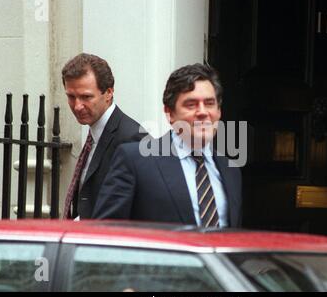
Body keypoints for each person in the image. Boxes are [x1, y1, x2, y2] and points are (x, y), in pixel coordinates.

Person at [92, 63, 242, 228]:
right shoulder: (135, 161)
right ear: (169, 113)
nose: (202, 112)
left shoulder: (231, 170)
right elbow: (106, 234)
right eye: (191, 104)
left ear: (219, 111)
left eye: (209, 103)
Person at [62, 53, 146, 219]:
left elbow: (135, 209)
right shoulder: (95, 132)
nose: (77, 106)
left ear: (108, 93)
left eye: (86, 97)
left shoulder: (133, 138)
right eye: (71, 97)